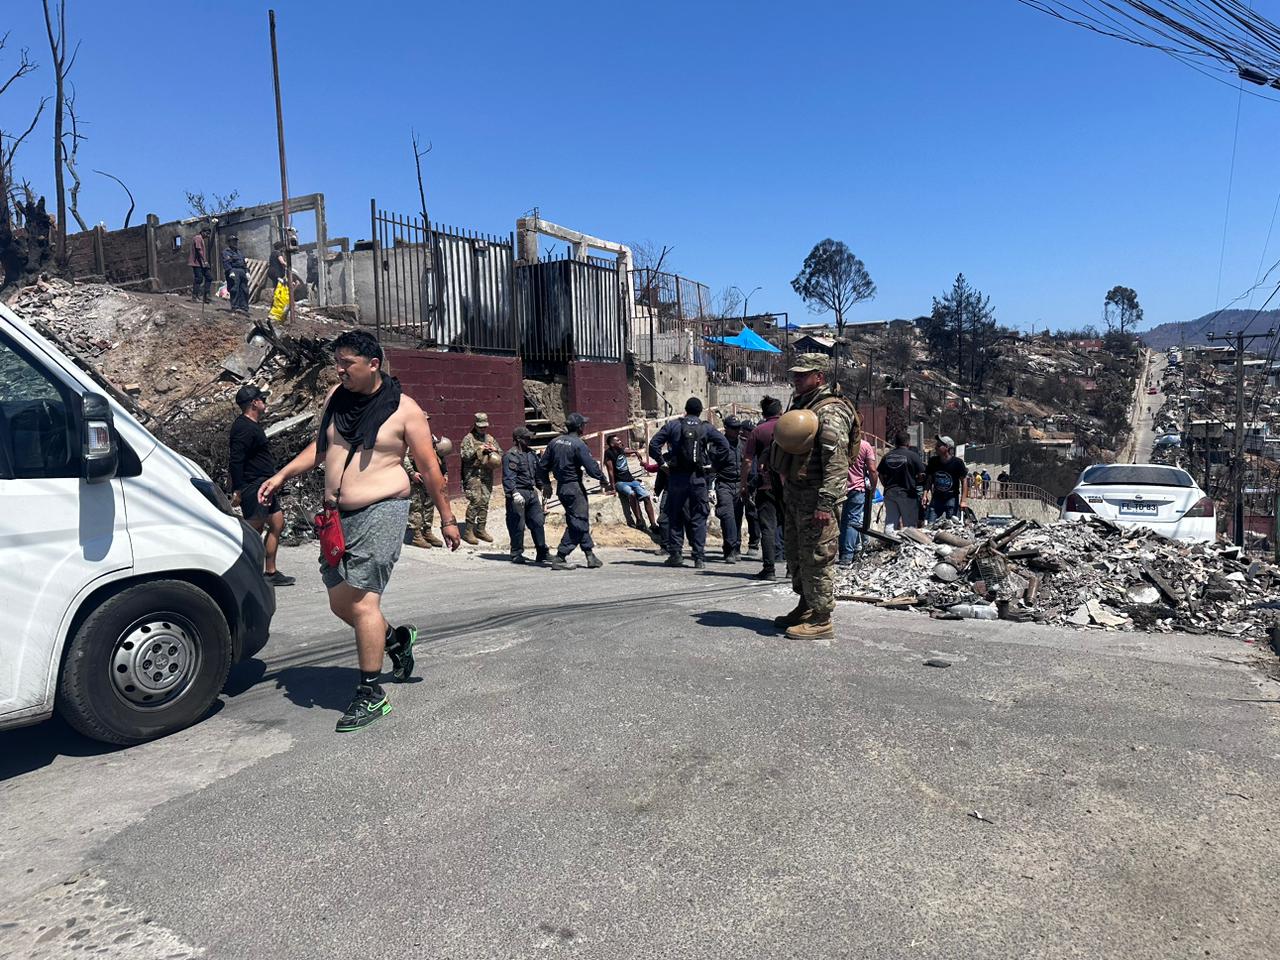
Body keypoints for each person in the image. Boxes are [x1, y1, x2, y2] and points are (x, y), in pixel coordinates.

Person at [258, 330, 460, 732]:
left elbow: (429, 469)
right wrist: (282, 474)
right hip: (336, 516)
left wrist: (448, 517)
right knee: (340, 603)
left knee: (364, 601)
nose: (340, 369)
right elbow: (322, 449)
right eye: (338, 362)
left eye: (347, 363)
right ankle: (396, 642)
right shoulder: (337, 398)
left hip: (383, 509)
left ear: (373, 364)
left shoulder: (406, 411)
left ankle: (371, 694)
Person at [772, 354, 857, 641]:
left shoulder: (830, 411)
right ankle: (806, 606)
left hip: (816, 498)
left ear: (819, 376)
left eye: (803, 374)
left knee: (817, 556)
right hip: (797, 494)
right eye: (795, 374)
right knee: (796, 553)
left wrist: (825, 502)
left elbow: (836, 462)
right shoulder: (802, 404)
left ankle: (822, 619)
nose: (796, 378)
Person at [647, 397, 731, 569]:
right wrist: (713, 465)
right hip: (698, 478)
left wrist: (662, 463)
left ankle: (676, 554)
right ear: (700, 411)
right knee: (699, 516)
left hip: (676, 478)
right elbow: (724, 445)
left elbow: (654, 444)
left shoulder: (673, 425)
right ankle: (699, 557)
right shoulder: (705, 427)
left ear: (685, 409)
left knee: (675, 515)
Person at [228, 384, 295, 587]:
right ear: (253, 403)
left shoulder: (252, 425)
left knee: (277, 523)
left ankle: (270, 572)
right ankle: (238, 573)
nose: (264, 402)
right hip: (253, 485)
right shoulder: (243, 427)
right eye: (261, 399)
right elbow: (235, 460)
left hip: (265, 484)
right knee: (252, 531)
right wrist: (238, 489)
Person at [538, 412, 606, 570]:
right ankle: (561, 556)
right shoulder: (578, 444)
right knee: (579, 522)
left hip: (561, 488)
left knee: (576, 519)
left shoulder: (554, 442)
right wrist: (602, 478)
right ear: (580, 427)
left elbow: (542, 466)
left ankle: (590, 555)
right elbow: (590, 466)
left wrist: (546, 484)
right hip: (574, 487)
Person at [742, 396, 784, 580]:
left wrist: (743, 484)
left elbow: (747, 460)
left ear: (764, 413)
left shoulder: (758, 431)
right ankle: (792, 569)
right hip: (789, 486)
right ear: (780, 412)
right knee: (789, 526)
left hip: (766, 485)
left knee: (767, 528)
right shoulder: (791, 428)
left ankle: (769, 570)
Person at [503, 426, 550, 564]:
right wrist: (514, 493)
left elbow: (536, 474)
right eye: (526, 437)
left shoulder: (531, 454)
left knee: (538, 522)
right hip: (518, 492)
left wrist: (543, 486)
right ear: (518, 439)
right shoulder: (510, 456)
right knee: (517, 524)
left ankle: (542, 552)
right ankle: (516, 553)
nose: (529, 440)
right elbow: (508, 478)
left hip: (531, 492)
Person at [603, 433, 661, 541]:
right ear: (612, 444)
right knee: (632, 494)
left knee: (646, 497)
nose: (620, 442)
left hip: (631, 480)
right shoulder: (609, 454)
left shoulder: (620, 450)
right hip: (620, 482)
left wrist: (635, 451)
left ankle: (653, 524)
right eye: (618, 441)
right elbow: (610, 472)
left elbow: (626, 451)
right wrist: (613, 488)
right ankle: (639, 521)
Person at [404, 419, 449, 549]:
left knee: (429, 504)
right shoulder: (409, 437)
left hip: (429, 478)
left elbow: (440, 456)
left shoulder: (431, 437)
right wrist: (412, 473)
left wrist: (444, 473)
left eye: (427, 420)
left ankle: (427, 531)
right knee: (416, 506)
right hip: (416, 477)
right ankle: (416, 536)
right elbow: (404, 457)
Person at [459, 412, 502, 545]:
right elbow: (465, 456)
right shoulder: (468, 439)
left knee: (485, 501)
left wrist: (494, 450)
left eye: (484, 427)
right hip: (472, 475)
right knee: (475, 501)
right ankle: (468, 531)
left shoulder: (489, 438)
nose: (483, 429)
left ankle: (481, 529)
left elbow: (500, 453)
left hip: (486, 475)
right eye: (480, 427)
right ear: (475, 425)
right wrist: (480, 450)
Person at [839, 433, 878, 564]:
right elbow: (872, 470)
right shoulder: (865, 446)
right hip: (857, 488)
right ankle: (848, 555)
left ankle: (847, 552)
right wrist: (873, 487)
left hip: (840, 488)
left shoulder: (840, 443)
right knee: (853, 521)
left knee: (843, 521)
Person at [712, 415, 746, 563]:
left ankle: (736, 546)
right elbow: (713, 461)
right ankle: (730, 548)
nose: (737, 431)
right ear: (726, 428)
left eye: (738, 428)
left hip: (739, 484)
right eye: (733, 428)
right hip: (724, 483)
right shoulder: (719, 444)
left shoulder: (743, 444)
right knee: (727, 516)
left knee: (738, 516)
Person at [877, 432, 925, 532]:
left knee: (890, 522)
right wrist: (916, 481)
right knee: (909, 525)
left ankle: (888, 544)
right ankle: (908, 545)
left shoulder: (887, 456)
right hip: (907, 493)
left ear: (895, 442)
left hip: (890, 493)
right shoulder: (913, 456)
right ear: (908, 443)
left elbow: (880, 474)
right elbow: (922, 474)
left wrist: (886, 485)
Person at [923, 435, 969, 522]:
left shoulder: (957, 463)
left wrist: (963, 500)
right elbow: (929, 479)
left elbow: (964, 481)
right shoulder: (933, 461)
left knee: (953, 523)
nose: (936, 447)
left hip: (951, 497)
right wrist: (925, 494)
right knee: (930, 523)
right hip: (937, 497)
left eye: (939, 445)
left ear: (947, 447)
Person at [221, 234, 250, 315]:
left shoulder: (239, 252)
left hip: (242, 271)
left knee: (244, 290)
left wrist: (247, 271)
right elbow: (226, 262)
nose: (234, 243)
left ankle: (244, 307)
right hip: (234, 271)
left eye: (235, 241)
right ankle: (235, 307)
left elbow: (243, 262)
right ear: (229, 242)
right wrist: (230, 271)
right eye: (232, 241)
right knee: (234, 289)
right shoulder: (226, 252)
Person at [188, 227, 213, 303]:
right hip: (197, 263)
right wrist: (204, 261)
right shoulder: (198, 238)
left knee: (209, 277)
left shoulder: (201, 239)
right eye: (207, 233)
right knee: (199, 278)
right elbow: (199, 251)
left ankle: (206, 296)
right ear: (202, 232)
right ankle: (194, 297)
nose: (208, 236)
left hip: (202, 263)